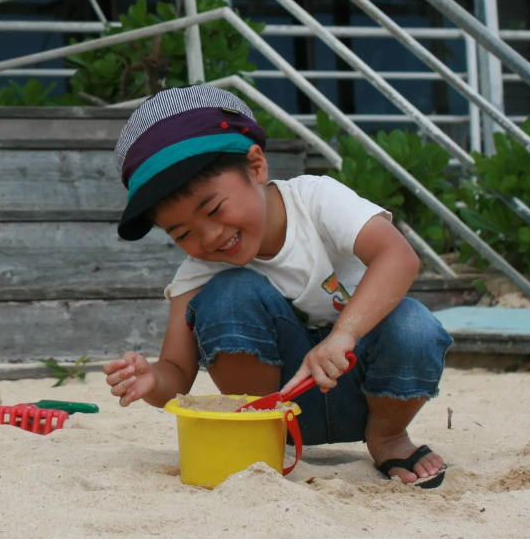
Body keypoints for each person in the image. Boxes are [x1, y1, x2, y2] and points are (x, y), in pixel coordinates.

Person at [102, 84, 452, 487]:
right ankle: (262, 434)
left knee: (414, 324)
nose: (210, 237)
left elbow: (399, 256)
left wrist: (343, 335)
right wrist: (150, 381)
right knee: (229, 295)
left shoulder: (315, 200)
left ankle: (389, 438)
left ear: (256, 167)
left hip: (366, 384)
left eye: (214, 208)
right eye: (182, 234)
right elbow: (177, 373)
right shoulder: (199, 271)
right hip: (279, 405)